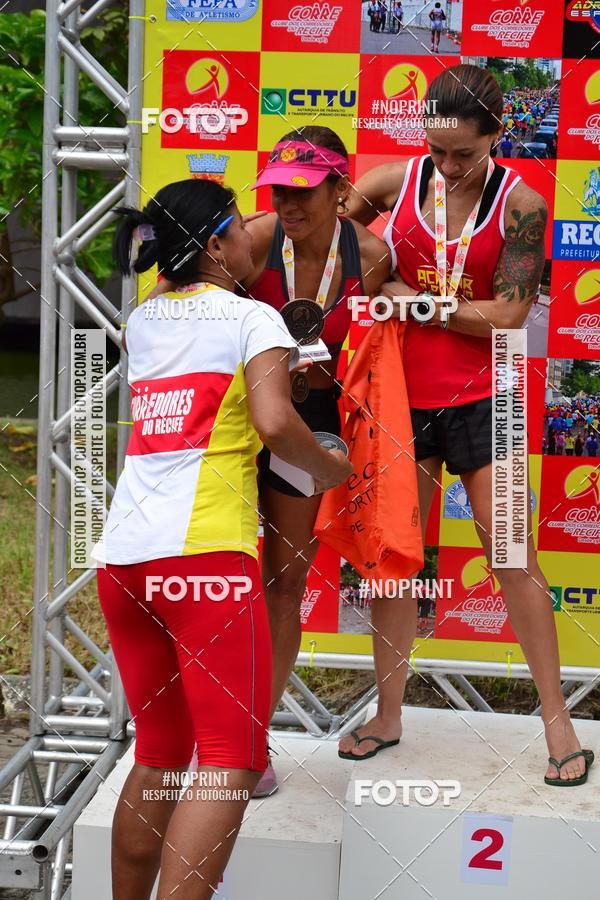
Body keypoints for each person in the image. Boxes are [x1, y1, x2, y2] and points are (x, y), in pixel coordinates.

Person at [94, 179, 352, 898]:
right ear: (214, 245)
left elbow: (225, 400)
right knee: (230, 758)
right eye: (241, 228)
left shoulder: (141, 319)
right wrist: (330, 464)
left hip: (124, 564)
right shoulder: (255, 319)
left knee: (161, 754)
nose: (254, 238)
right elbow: (272, 424)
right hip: (205, 556)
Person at [342, 63, 593, 785]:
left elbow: (510, 318)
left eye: (463, 154)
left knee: (513, 557)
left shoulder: (523, 206)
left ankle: (559, 728)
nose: (447, 166)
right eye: (437, 149)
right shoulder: (394, 182)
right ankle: (389, 715)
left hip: (490, 398)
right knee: (396, 564)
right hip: (400, 397)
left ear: (496, 137)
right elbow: (336, 239)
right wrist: (371, 275)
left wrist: (405, 299)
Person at [243, 126, 391, 796]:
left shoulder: (371, 255)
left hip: (313, 427)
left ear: (340, 191)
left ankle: (252, 742)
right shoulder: (248, 239)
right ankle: (188, 728)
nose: (288, 203)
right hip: (238, 424)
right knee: (215, 581)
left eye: (303, 190)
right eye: (279, 188)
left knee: (283, 586)